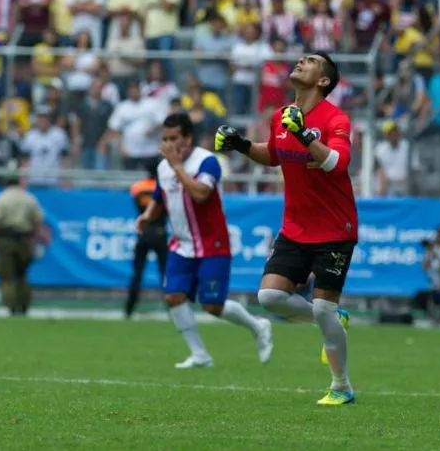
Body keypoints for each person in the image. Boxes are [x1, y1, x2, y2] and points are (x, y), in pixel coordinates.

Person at [214, 51, 358, 406]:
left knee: (323, 309)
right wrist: (242, 146)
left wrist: (305, 134)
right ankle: (332, 319)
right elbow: (274, 153)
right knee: (269, 297)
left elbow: (338, 164)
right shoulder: (281, 116)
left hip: (335, 227)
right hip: (295, 226)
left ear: (323, 81)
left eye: (310, 60)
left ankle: (341, 386)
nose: (300, 61)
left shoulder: (335, 118)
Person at [135, 113, 273, 368]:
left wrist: (177, 166)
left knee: (212, 306)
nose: (168, 144)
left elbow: (200, 194)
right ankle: (200, 354)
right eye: (164, 139)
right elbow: (159, 194)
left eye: (173, 138)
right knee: (173, 296)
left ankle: (258, 326)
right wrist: (147, 215)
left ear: (188, 138)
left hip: (212, 244)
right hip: (181, 244)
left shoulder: (207, 161)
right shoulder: (163, 166)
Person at [0, 172, 44, 317]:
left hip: (6, 238)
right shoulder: (29, 198)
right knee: (22, 274)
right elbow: (37, 221)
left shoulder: (1, 198)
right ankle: (24, 305)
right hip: (25, 238)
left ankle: (11, 306)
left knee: (6, 275)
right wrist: (32, 239)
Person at [125, 178, 168, 319]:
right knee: (165, 273)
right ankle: (172, 308)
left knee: (137, 273)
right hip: (159, 232)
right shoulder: (163, 186)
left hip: (144, 233)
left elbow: (136, 203)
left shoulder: (138, 186)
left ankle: (129, 309)